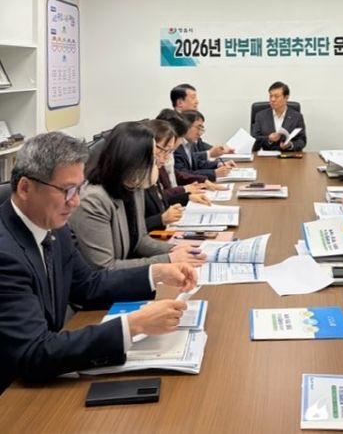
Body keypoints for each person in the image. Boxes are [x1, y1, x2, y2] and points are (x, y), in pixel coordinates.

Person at [0, 132, 197, 392]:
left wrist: (156, 273)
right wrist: (133, 325)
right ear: (25, 188)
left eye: (78, 189)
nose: (75, 201)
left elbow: (88, 285)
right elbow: (34, 352)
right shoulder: (5, 255)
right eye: (66, 191)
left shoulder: (54, 227)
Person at [69, 121, 206, 270]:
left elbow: (140, 241)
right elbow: (105, 268)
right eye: (152, 157)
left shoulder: (133, 186)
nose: (158, 162)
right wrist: (168, 259)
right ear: (132, 160)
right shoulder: (93, 200)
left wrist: (174, 249)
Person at [143, 119, 211, 232]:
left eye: (169, 152)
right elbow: (131, 230)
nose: (166, 158)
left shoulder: (155, 168)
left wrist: (187, 197)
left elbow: (161, 200)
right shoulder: (136, 180)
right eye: (164, 150)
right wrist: (160, 219)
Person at [170, 83, 230, 158]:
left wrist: (220, 150)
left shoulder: (190, 120)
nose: (197, 102)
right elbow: (183, 158)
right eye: (193, 98)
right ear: (180, 103)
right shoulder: (171, 126)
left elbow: (199, 145)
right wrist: (209, 154)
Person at [174, 110, 235, 181]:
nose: (200, 133)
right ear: (186, 126)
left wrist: (218, 164)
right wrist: (214, 173)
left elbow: (198, 164)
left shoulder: (190, 143)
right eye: (198, 128)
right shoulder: (176, 147)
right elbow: (185, 174)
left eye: (201, 129)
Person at [252, 81, 307, 152]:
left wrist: (290, 145)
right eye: (271, 96)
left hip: (289, 156)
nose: (272, 99)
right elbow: (254, 139)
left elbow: (302, 140)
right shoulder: (260, 116)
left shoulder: (297, 117)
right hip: (267, 156)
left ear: (286, 98)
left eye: (276, 96)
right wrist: (269, 139)